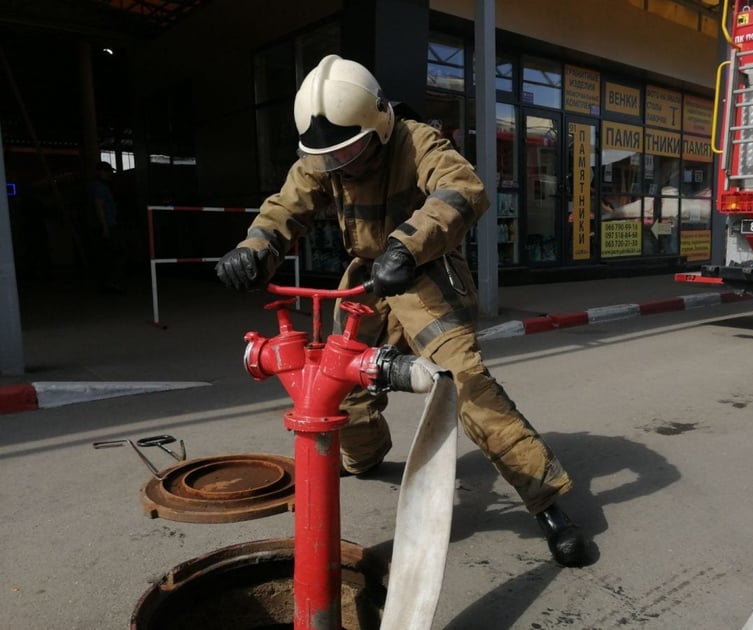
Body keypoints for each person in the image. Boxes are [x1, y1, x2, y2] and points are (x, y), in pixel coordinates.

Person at [215, 55, 591, 567]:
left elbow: (464, 189)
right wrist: (256, 249)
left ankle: (548, 504)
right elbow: (285, 207)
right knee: (337, 379)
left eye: (349, 153)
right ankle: (364, 455)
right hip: (366, 282)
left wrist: (406, 247)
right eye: (328, 159)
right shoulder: (325, 154)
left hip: (425, 274)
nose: (337, 167)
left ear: (378, 125)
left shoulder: (418, 141)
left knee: (464, 383)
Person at [89, 160, 126, 292]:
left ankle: (108, 283)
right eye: (107, 171)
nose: (110, 174)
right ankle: (112, 282)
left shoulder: (102, 186)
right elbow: (99, 207)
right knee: (116, 254)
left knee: (110, 255)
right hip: (108, 225)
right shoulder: (99, 187)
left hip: (108, 224)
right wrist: (105, 227)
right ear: (100, 172)